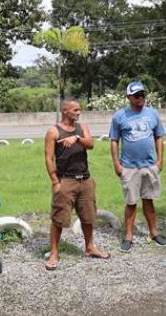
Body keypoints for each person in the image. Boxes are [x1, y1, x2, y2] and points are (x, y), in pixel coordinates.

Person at [43, 97, 109, 271]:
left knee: (88, 217)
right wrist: (55, 181)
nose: (79, 113)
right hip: (66, 180)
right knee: (59, 219)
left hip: (85, 179)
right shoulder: (53, 131)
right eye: (75, 110)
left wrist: (76, 138)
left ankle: (90, 247)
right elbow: (48, 158)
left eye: (79, 110)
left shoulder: (82, 128)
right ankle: (54, 253)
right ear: (65, 111)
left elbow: (91, 144)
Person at [110, 81, 166, 252]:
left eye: (142, 94)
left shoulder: (152, 114)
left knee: (148, 200)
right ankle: (128, 236)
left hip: (149, 165)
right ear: (128, 97)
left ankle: (154, 233)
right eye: (136, 95)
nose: (140, 98)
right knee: (131, 202)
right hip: (129, 166)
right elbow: (114, 140)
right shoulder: (120, 116)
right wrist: (116, 163)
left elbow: (159, 137)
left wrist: (160, 160)